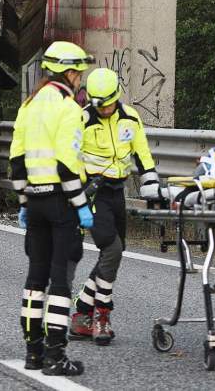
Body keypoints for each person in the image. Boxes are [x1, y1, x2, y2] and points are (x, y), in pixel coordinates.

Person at [9, 40, 94, 377]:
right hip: (61, 204)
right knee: (60, 281)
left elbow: (16, 162)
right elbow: (67, 166)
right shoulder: (68, 107)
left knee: (35, 279)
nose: (79, 78)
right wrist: (82, 206)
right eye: (78, 71)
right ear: (68, 72)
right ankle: (56, 358)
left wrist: (25, 202)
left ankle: (34, 354)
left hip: (36, 202)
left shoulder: (29, 105)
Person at [69, 67, 162, 345]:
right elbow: (70, 160)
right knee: (112, 249)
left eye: (109, 104)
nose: (105, 110)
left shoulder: (131, 118)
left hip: (116, 192)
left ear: (117, 97)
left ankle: (82, 314)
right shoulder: (82, 120)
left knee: (113, 255)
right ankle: (102, 315)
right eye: (100, 105)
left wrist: (151, 182)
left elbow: (143, 154)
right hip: (92, 194)